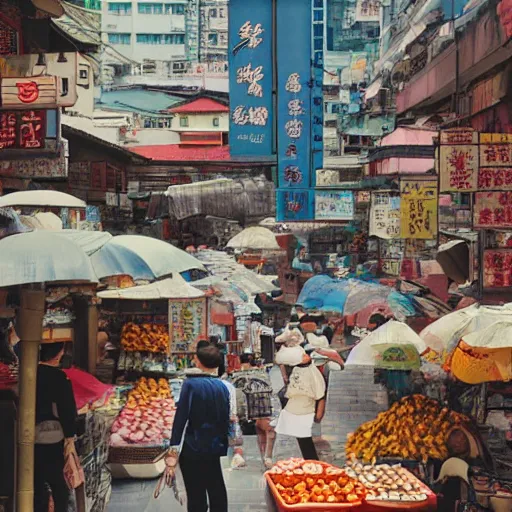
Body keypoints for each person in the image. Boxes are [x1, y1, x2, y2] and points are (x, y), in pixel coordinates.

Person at [164, 344, 230, 512]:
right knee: (216, 486)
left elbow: (181, 418)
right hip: (215, 445)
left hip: (193, 445)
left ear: (199, 362)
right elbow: (225, 419)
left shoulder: (190, 385)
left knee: (195, 491)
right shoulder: (223, 386)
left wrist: (173, 448)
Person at [34, 343, 78, 512]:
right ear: (58, 354)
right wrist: (70, 438)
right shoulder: (59, 377)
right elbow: (67, 409)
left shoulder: (27, 373)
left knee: (36, 486)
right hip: (54, 438)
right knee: (60, 485)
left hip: (28, 437)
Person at [275, 354, 326, 461]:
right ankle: (309, 461)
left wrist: (319, 415)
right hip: (293, 409)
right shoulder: (296, 369)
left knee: (305, 439)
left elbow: (320, 395)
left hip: (306, 410)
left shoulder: (313, 373)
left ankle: (312, 462)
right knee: (301, 439)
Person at [239, 353, 276, 469]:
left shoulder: (241, 374)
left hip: (253, 405)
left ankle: (266, 457)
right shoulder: (263, 373)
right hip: (263, 404)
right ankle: (267, 457)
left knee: (263, 431)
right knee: (266, 431)